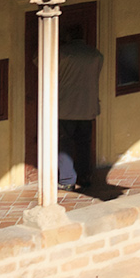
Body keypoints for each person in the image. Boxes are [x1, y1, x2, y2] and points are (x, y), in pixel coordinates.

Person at [55, 32, 103, 191]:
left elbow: (38, 60)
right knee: (84, 143)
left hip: (66, 108)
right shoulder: (95, 55)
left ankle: (67, 179)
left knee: (65, 143)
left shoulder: (62, 53)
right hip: (87, 107)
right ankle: (84, 176)